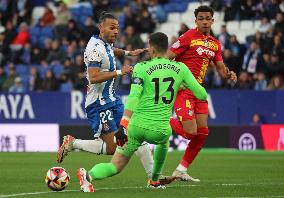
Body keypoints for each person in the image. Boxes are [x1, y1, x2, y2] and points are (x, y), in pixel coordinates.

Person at [76, 32, 208, 192]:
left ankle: (89, 176)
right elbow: (201, 94)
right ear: (166, 49)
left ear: (151, 49)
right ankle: (154, 180)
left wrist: (123, 124)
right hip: (160, 129)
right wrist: (182, 85)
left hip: (135, 127)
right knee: (164, 139)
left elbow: (134, 97)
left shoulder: (141, 67)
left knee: (115, 166)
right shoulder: (180, 68)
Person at [57, 12, 154, 183]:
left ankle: (153, 179)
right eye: (112, 28)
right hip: (99, 104)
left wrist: (130, 53)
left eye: (117, 28)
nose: (116, 31)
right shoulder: (95, 48)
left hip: (112, 99)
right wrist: (119, 71)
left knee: (135, 134)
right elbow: (93, 76)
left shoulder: (104, 43)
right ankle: (73, 143)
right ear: (101, 28)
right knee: (112, 148)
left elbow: (111, 50)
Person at [166, 5, 237, 182]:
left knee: (202, 133)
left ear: (213, 21)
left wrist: (229, 74)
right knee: (191, 133)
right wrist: (176, 80)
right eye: (201, 18)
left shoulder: (215, 44)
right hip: (184, 91)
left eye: (208, 18)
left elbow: (221, 70)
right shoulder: (187, 37)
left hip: (199, 91)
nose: (205, 21)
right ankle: (163, 120)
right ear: (196, 21)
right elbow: (166, 58)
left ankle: (181, 170)